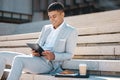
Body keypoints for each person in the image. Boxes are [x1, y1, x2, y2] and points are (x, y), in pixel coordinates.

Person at [0, 2, 77, 80]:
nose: (52, 19)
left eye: (54, 16)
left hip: (48, 64)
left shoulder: (70, 31)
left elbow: (70, 54)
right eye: (50, 17)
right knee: (1, 55)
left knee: (18, 59)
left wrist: (54, 56)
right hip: (35, 59)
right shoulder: (46, 28)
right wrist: (34, 51)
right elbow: (38, 44)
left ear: (62, 14)